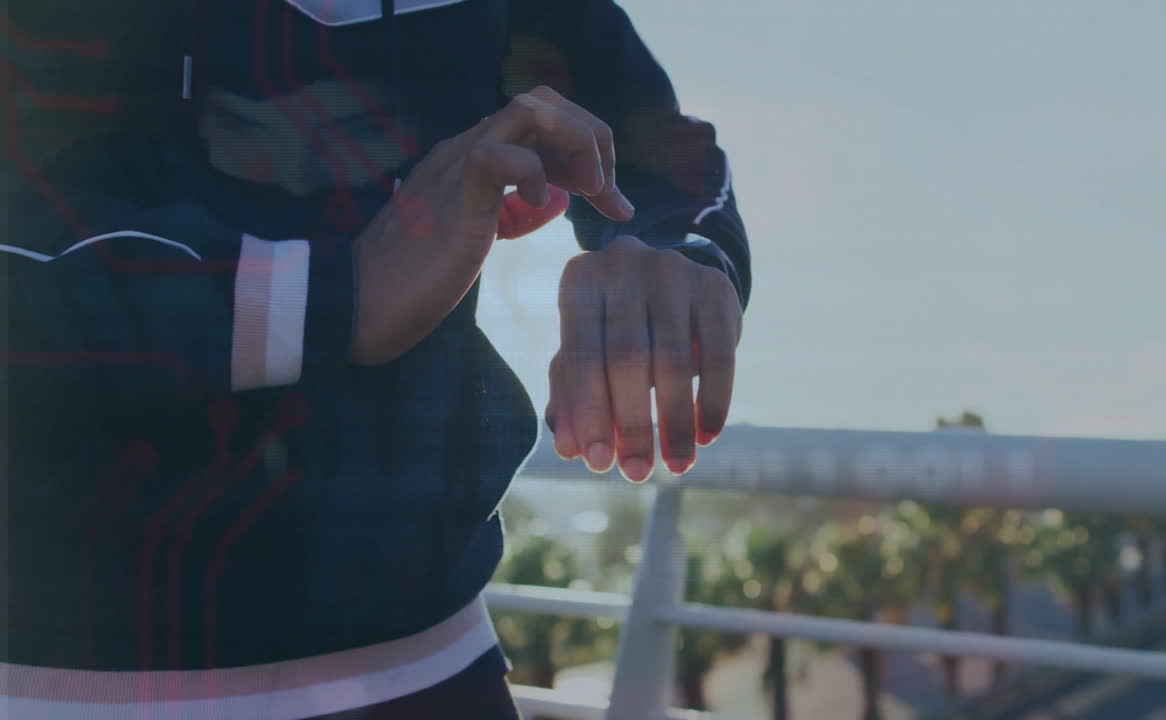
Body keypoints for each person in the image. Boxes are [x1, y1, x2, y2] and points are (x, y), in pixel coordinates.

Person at [2, 1, 751, 717]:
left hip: (435, 664)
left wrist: (670, 253)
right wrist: (339, 295)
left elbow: (659, 150)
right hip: (57, 680)